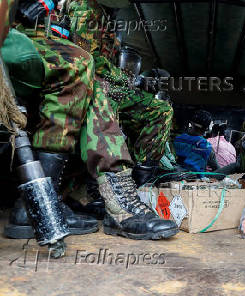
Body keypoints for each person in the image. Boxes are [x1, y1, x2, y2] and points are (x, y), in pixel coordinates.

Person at [4, 1, 178, 241]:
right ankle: (113, 198)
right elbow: (88, 56)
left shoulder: (111, 22)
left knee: (152, 107)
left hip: (39, 50)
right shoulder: (85, 10)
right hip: (25, 44)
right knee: (91, 80)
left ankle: (39, 203)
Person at [66, 0, 174, 187]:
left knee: (161, 111)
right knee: (108, 102)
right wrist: (133, 81)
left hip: (108, 85)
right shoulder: (85, 9)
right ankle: (101, 183)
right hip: (87, 83)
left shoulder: (108, 16)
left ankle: (142, 179)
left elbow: (111, 63)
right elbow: (87, 58)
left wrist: (134, 83)